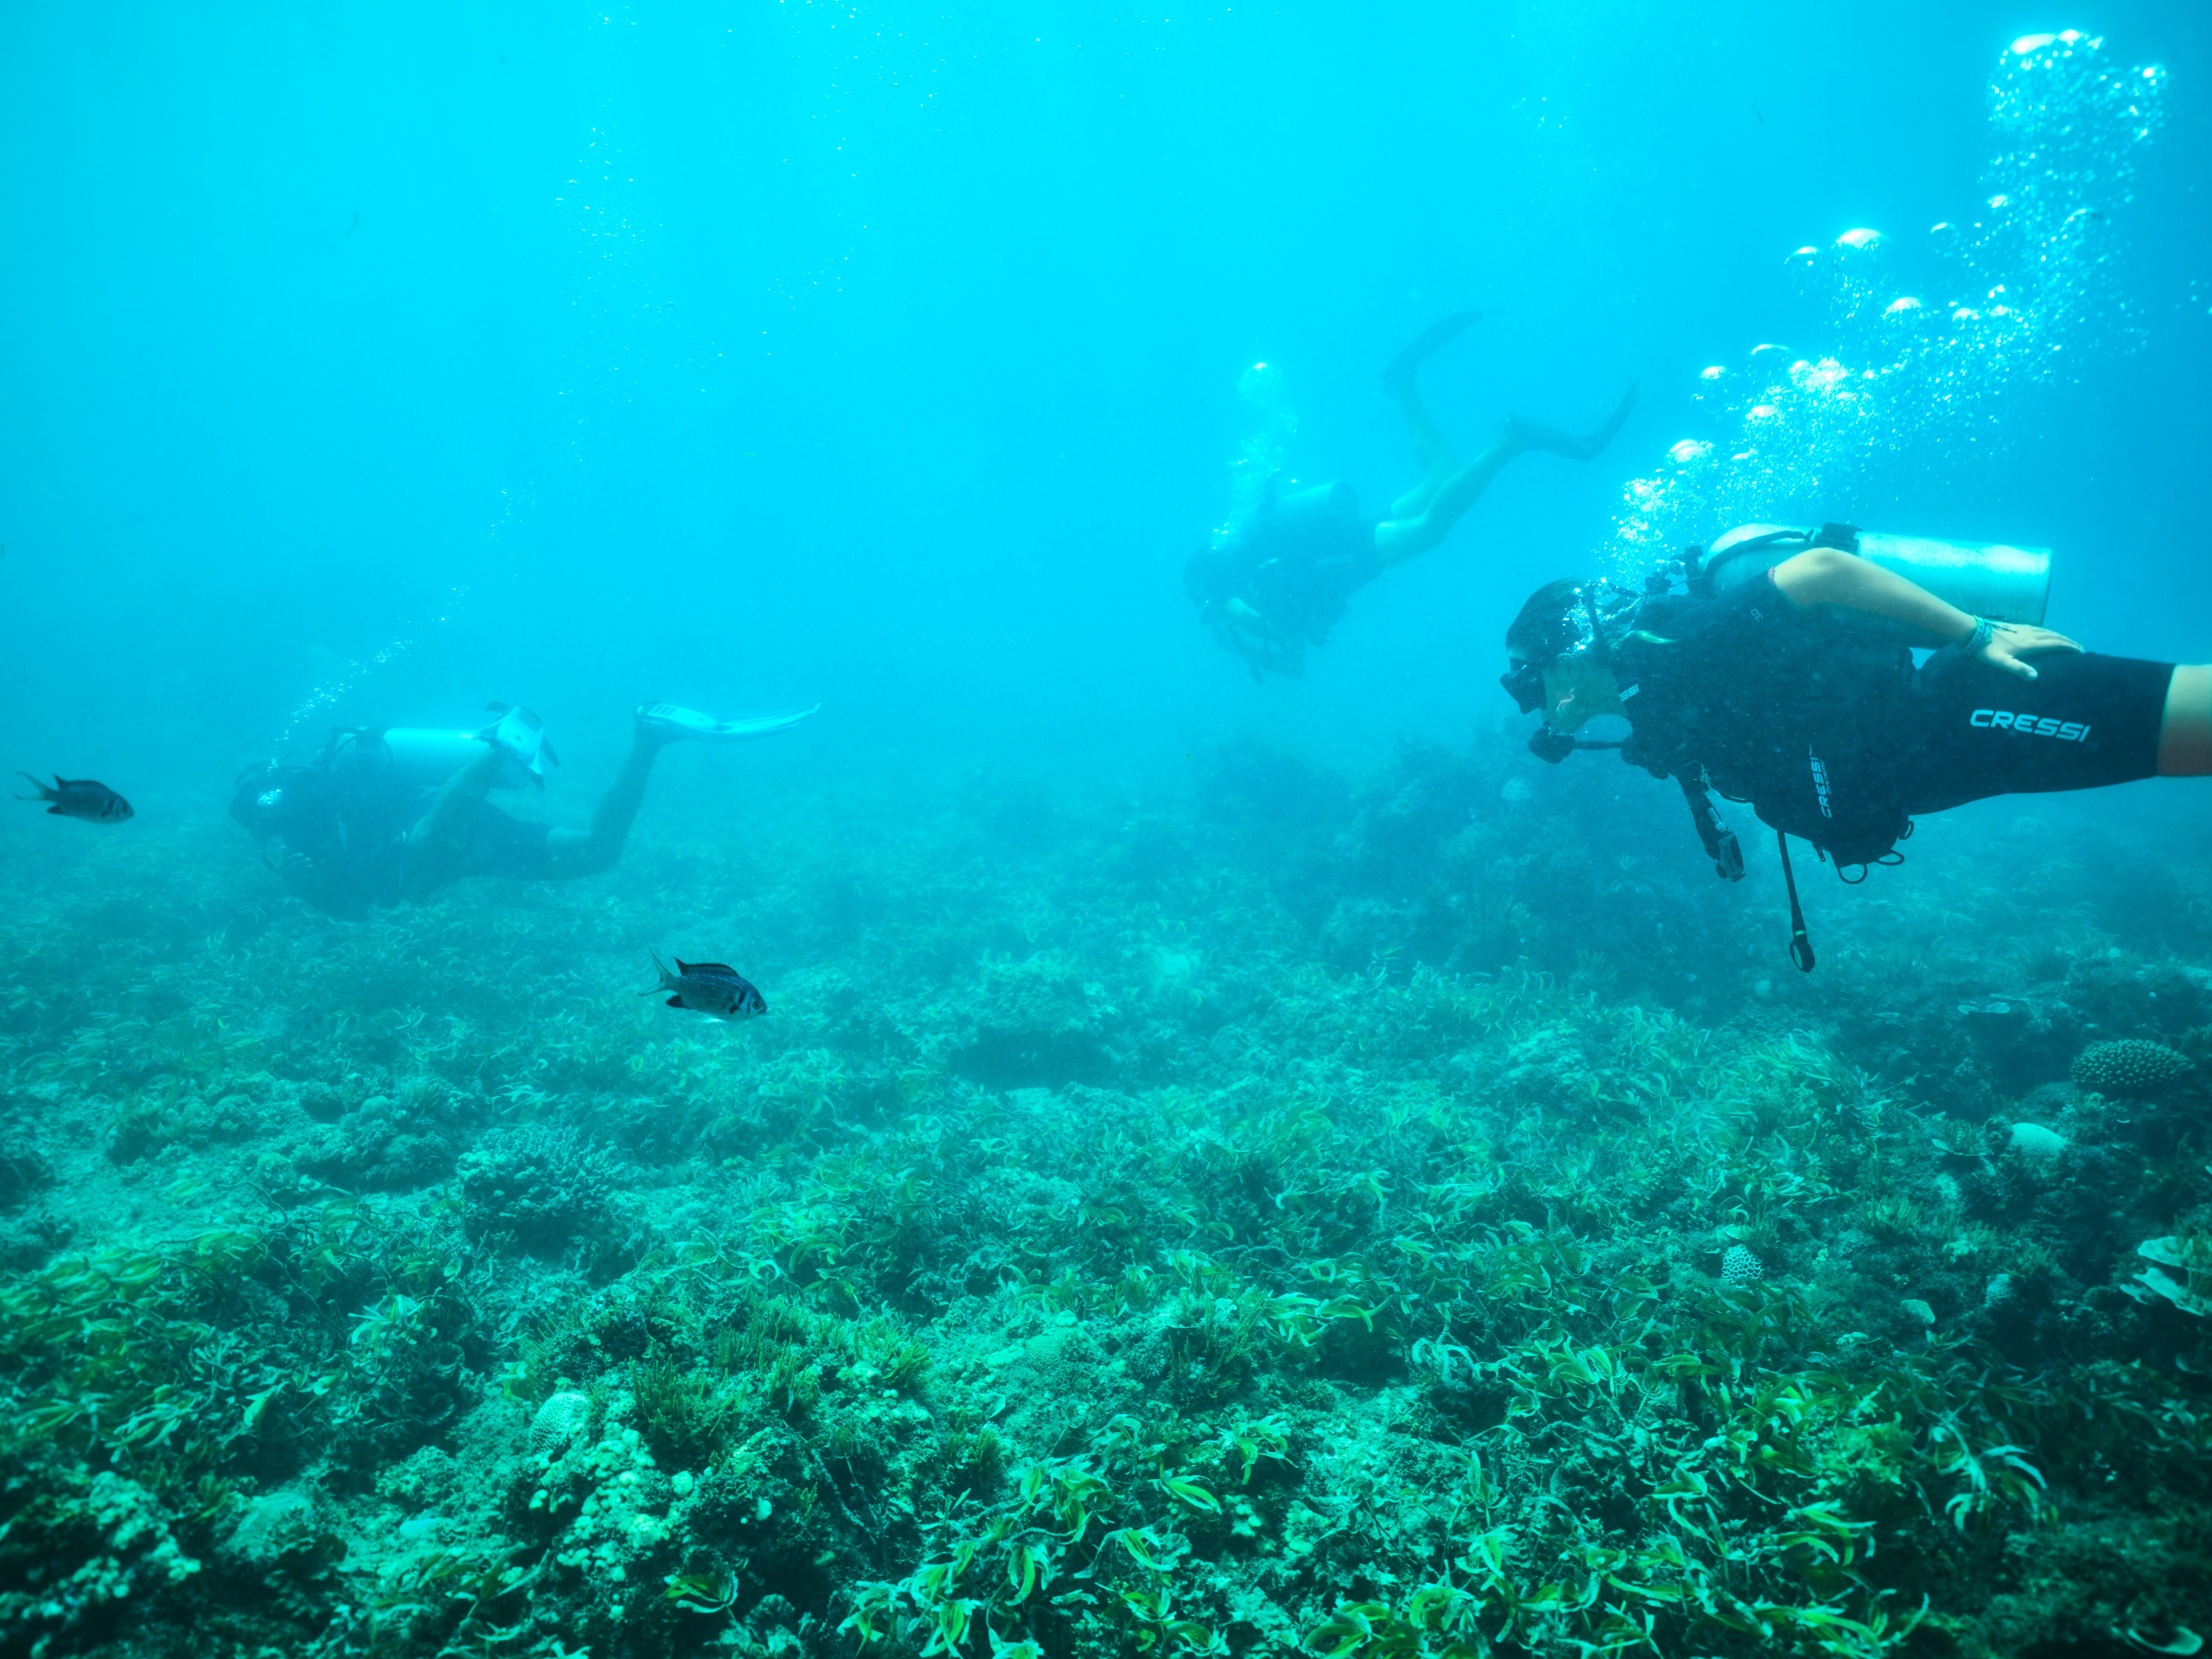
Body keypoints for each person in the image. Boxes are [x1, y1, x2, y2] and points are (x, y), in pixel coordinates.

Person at [1499, 526, 2206, 968]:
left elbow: (1822, 573)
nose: (1545, 712)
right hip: (1959, 752)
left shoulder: (1678, 649)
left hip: (1973, 708)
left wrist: (1975, 634)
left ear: (1568, 656)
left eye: (1534, 687)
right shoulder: (1652, 698)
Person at [1188, 314, 1638, 678]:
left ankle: (1514, 442)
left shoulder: (1224, 599)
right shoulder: (1242, 566)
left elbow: (1288, 642)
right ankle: (1401, 383)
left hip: (1340, 558)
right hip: (1335, 546)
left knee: (1430, 532)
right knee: (1443, 474)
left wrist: (1245, 642)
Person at [230, 702, 814, 917]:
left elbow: (359, 895)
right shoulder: (299, 849)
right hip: (467, 848)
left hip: (437, 828)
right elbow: (357, 908)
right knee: (597, 854)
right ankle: (651, 737)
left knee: (429, 842)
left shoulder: (304, 825)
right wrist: (308, 890)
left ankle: (499, 746)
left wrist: (310, 885)